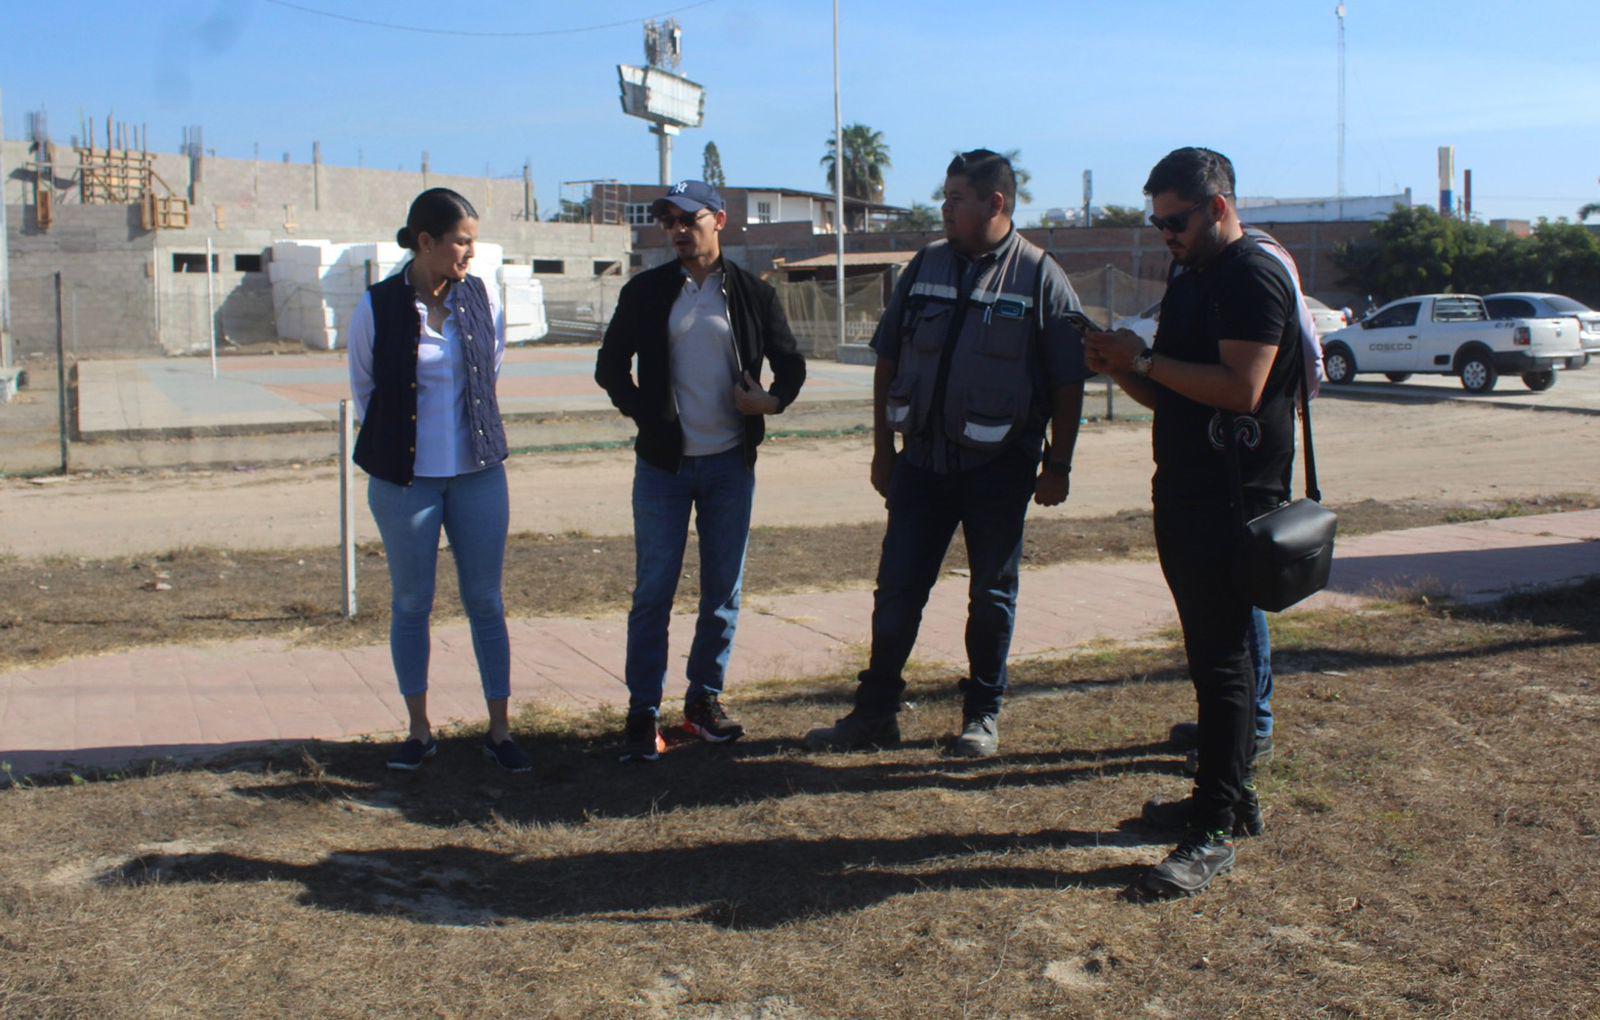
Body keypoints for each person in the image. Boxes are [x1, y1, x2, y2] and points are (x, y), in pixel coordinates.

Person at [804, 149, 1088, 758]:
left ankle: (981, 715)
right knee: (897, 590)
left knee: (991, 595)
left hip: (1000, 468)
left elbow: (1068, 382)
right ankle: (876, 712)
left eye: (957, 198)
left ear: (996, 203)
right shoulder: (925, 265)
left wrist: (1057, 464)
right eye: (945, 197)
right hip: (922, 465)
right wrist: (883, 450)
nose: (945, 209)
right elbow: (888, 360)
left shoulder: (1040, 276)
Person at [1085, 147, 1303, 897]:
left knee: (1225, 664)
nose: (1165, 236)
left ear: (1218, 207)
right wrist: (1120, 365)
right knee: (1211, 661)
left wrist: (1142, 361)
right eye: (1156, 223)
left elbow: (1241, 388)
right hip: (1183, 491)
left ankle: (1212, 831)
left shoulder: (1253, 274)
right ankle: (1227, 799)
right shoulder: (1193, 276)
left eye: (1175, 221)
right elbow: (1177, 394)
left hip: (1236, 501)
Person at [595, 180, 806, 763]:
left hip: (729, 466)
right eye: (669, 222)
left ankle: (703, 703)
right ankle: (643, 712)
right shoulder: (645, 292)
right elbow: (610, 368)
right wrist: (649, 417)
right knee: (653, 592)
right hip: (663, 468)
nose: (679, 231)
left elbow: (791, 364)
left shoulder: (751, 295)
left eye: (689, 219)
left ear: (719, 220)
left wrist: (770, 402)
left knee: (722, 592)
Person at [348, 187, 530, 774]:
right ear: (426, 242)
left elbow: (490, 372)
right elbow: (366, 393)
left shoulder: (482, 298)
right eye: (461, 241)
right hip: (406, 484)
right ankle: (419, 730)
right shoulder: (376, 307)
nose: (469, 253)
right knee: (411, 603)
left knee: (486, 601)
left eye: (472, 241)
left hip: (478, 477)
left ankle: (500, 731)